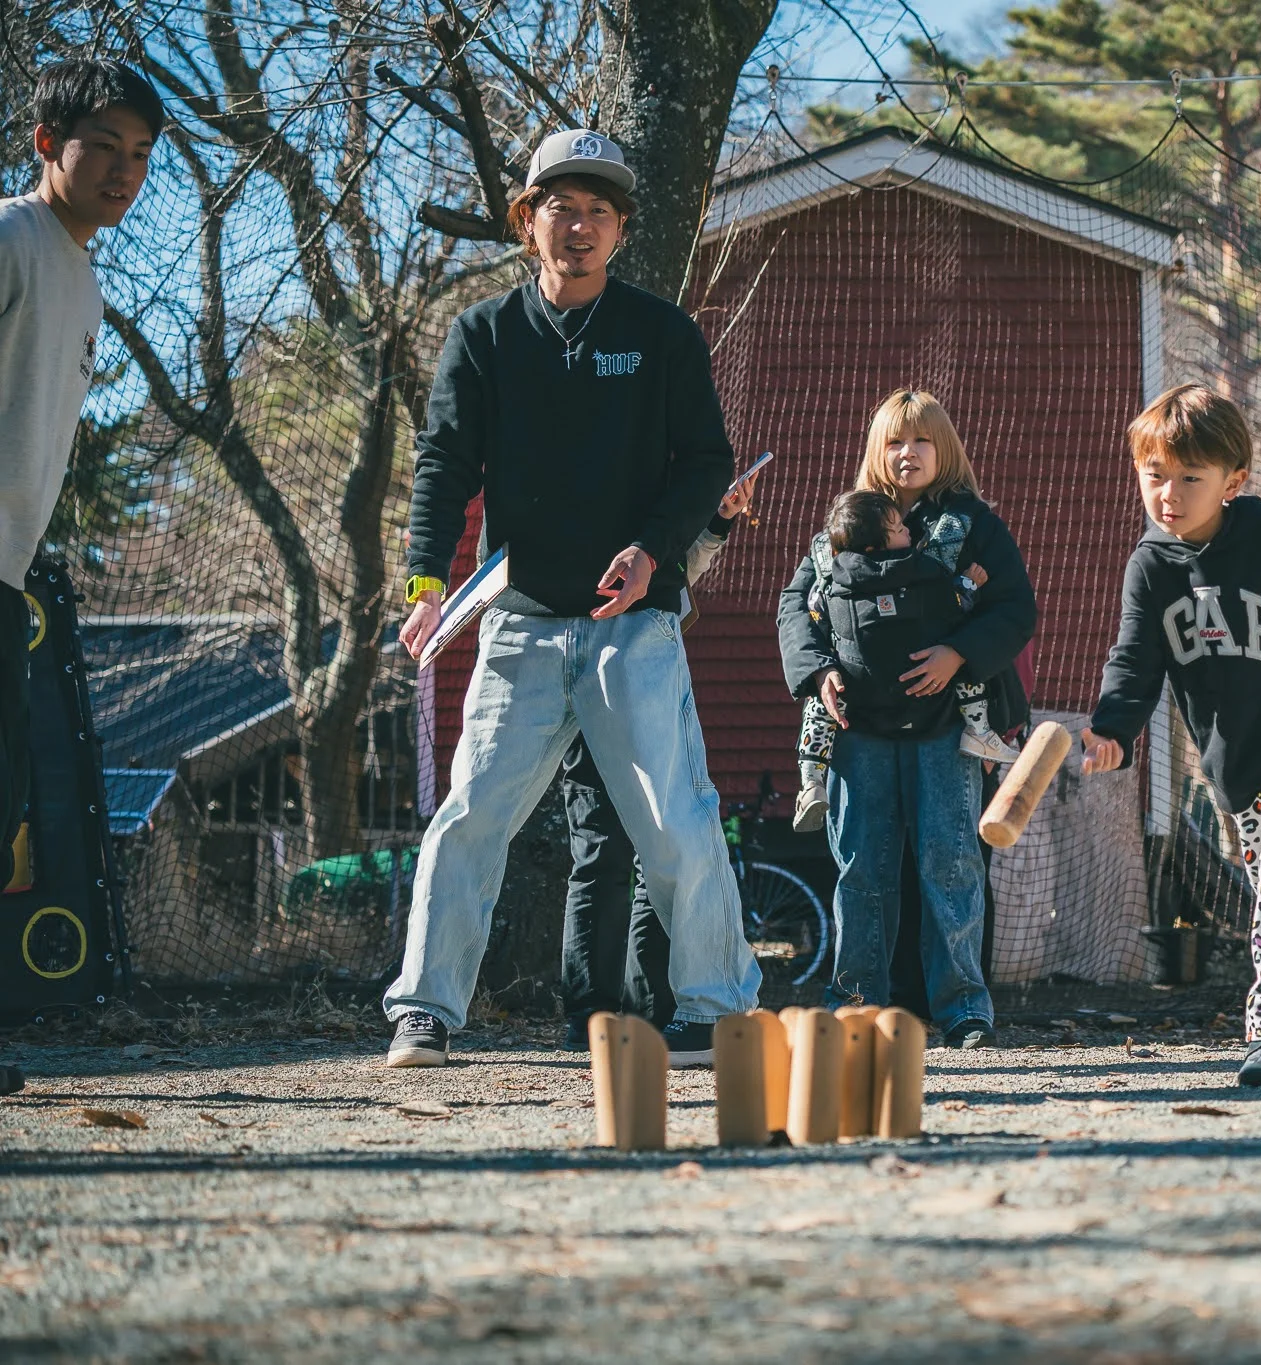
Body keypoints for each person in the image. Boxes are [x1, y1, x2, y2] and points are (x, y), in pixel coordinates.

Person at [386, 129, 753, 1068]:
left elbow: (707, 459)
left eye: (598, 210)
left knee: (676, 815)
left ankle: (713, 1006)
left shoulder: (663, 334)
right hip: (519, 619)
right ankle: (423, 1010)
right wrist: (428, 583)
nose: (578, 225)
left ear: (622, 229)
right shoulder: (484, 333)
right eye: (561, 206)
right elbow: (442, 465)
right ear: (527, 220)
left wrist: (651, 548)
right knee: (471, 814)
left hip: (634, 622)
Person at [1081, 384, 1261, 1087]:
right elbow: (1133, 658)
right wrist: (1114, 726)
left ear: (1232, 481)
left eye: (1190, 478)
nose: (1169, 494)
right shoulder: (1150, 567)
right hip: (1229, 762)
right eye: (1154, 476)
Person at [776, 390, 1034, 1049]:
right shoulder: (846, 523)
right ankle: (856, 1004)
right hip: (859, 729)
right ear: (876, 451)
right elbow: (796, 606)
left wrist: (959, 652)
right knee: (862, 866)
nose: (907, 452)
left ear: (943, 448)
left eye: (921, 440)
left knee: (951, 863)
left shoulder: (974, 525)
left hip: (948, 726)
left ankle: (963, 1009)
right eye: (894, 441)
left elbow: (1013, 609)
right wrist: (818, 671)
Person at [0, 59, 163, 1098]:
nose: (122, 169)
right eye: (101, 144)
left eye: (141, 155)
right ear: (44, 141)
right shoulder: (12, 237)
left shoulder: (83, 272)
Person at [557, 470, 761, 1050]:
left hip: (650, 687)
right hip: (583, 680)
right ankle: (590, 1017)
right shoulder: (564, 495)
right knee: (600, 847)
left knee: (664, 850)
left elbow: (677, 572)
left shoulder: (660, 501)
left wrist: (717, 521)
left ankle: (656, 1011)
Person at [789, 488, 1017, 832]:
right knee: (967, 662)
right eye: (898, 530)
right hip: (926, 690)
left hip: (859, 696)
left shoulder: (833, 578)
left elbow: (814, 611)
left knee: (820, 707)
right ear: (874, 547)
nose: (909, 531)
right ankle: (979, 729)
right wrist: (969, 583)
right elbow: (953, 606)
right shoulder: (918, 569)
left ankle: (810, 779)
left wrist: (823, 664)